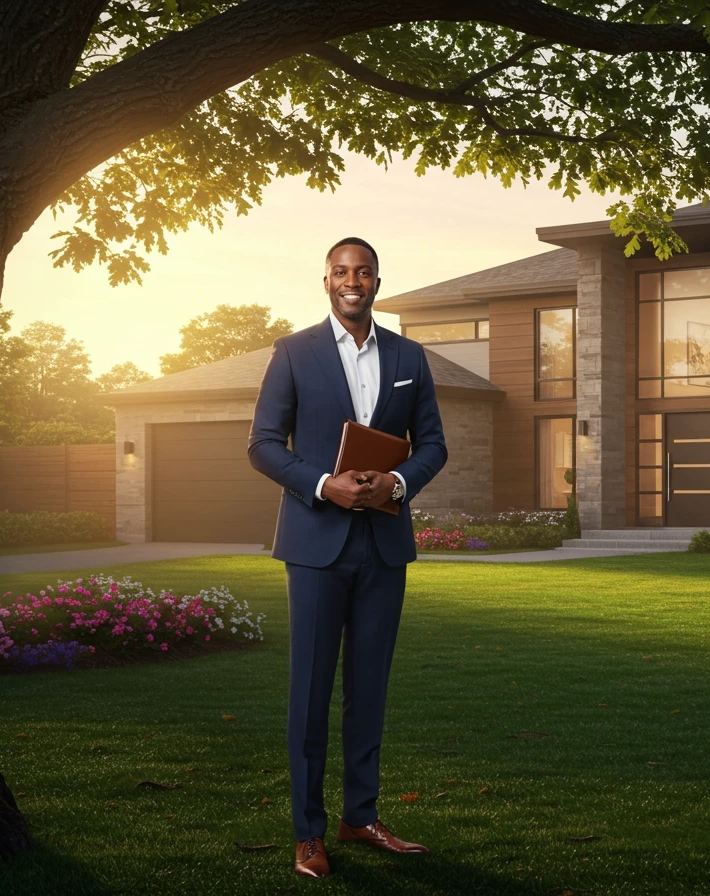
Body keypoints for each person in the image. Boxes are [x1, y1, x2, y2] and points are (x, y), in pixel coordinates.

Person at [248, 236, 447, 879]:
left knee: (369, 691)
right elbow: (262, 444)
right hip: (315, 544)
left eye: (362, 271)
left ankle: (361, 817)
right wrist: (319, 483)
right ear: (326, 280)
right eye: (341, 271)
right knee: (309, 693)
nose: (352, 281)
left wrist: (398, 483)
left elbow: (434, 445)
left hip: (384, 545)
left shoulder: (409, 355)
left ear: (377, 281)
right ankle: (308, 833)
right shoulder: (293, 353)